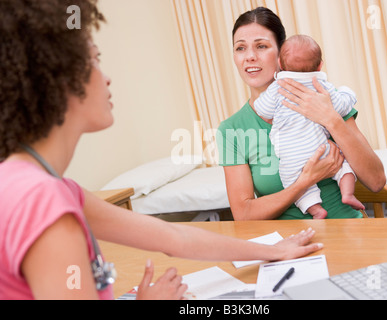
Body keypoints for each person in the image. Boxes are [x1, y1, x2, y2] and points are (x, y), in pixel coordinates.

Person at [0, 0, 323, 300]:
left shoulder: (50, 188)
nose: (108, 77)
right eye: (96, 60)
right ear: (58, 81)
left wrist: (275, 252)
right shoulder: (44, 203)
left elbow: (175, 239)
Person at [217, 7, 385, 220]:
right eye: (240, 48)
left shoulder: (325, 97)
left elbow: (376, 181)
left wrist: (330, 119)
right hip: (291, 246)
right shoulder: (232, 129)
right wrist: (305, 181)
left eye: (261, 46)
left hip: (348, 232)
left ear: (281, 55)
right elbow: (244, 214)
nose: (250, 56)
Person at [253, 34, 365, 219]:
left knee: (293, 180)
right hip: (321, 147)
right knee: (343, 164)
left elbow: (263, 109)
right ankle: (348, 193)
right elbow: (341, 105)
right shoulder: (321, 85)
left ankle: (315, 209)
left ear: (280, 63)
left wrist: (267, 97)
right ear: (320, 65)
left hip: (292, 155)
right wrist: (348, 92)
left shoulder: (278, 86)